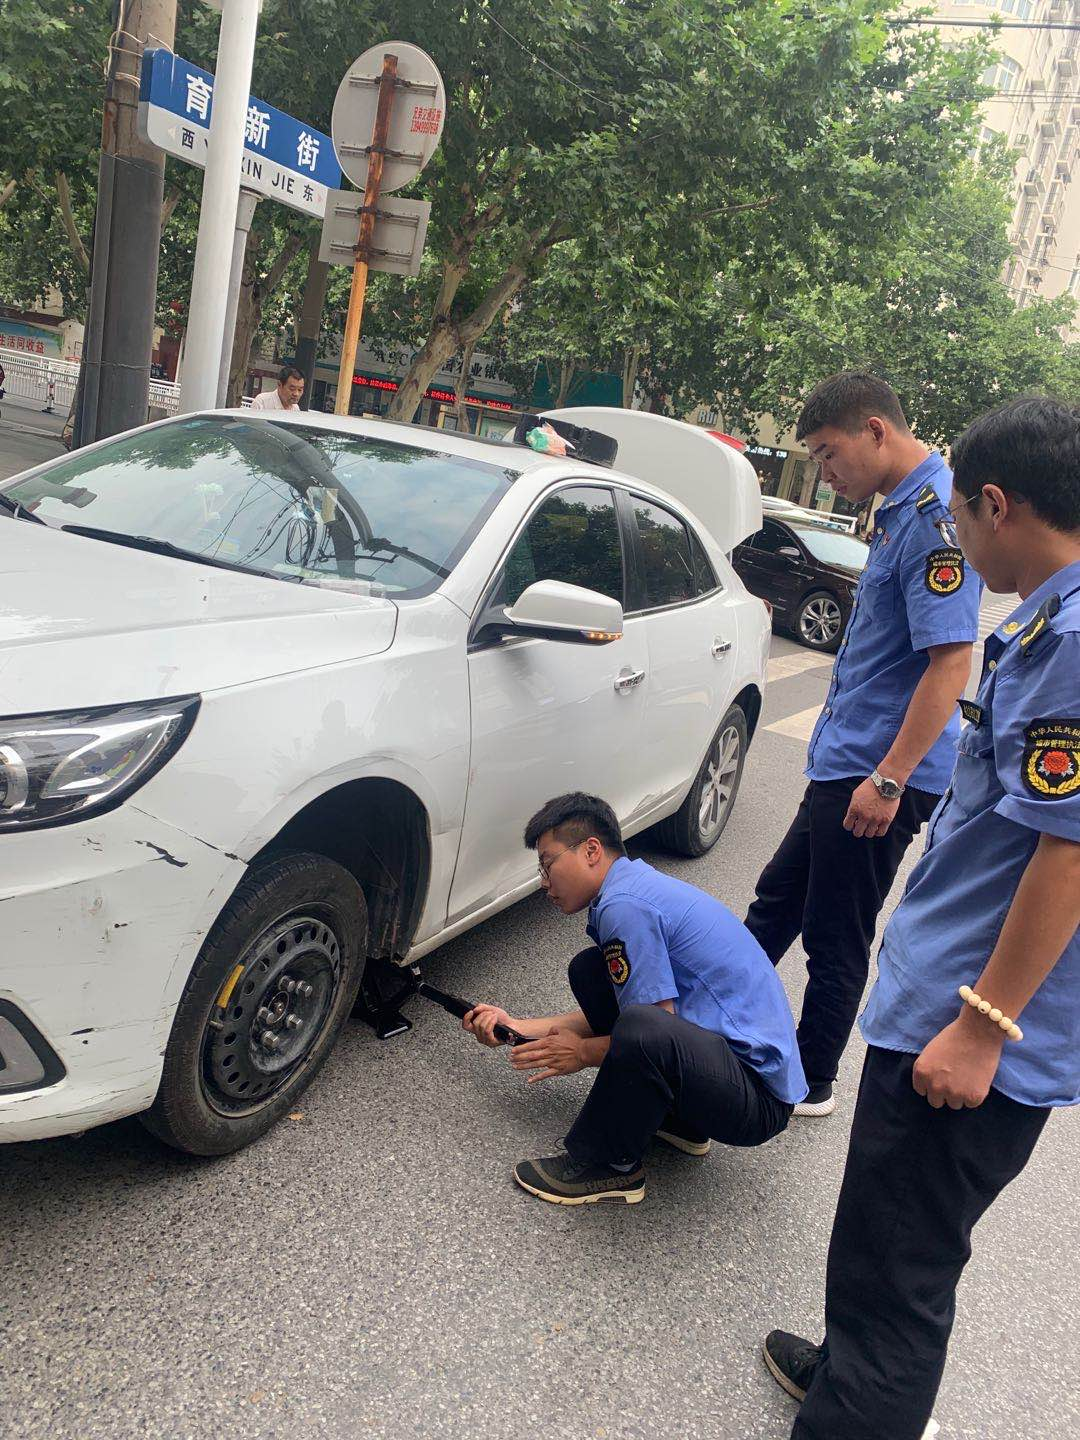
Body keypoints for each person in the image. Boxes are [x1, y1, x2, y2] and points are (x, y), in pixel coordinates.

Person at [762, 394, 1080, 1440]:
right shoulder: (1050, 619)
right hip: (950, 992)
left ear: (996, 504)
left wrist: (983, 1026)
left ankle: (862, 1407)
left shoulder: (1072, 641)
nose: (960, 535)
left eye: (965, 516)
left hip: (972, 1019)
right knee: (880, 1233)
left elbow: (1070, 851)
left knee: (903, 1260)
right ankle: (849, 1371)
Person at [744, 371, 981, 1116]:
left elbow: (951, 662)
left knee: (834, 934)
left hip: (877, 773)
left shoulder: (937, 519)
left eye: (827, 454)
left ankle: (808, 1081)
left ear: (875, 430)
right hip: (848, 761)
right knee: (776, 904)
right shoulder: (898, 509)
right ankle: (710, 1019)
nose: (824, 473)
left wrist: (888, 779)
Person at [463, 793, 807, 1206]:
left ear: (591, 850)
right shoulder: (635, 887)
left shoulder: (624, 906)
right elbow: (639, 1012)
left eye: (548, 864)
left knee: (640, 1024)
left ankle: (608, 1165)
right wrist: (518, 1026)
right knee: (591, 972)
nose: (544, 882)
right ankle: (680, 1121)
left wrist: (582, 1053)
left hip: (757, 1100)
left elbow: (648, 1031)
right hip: (730, 1073)